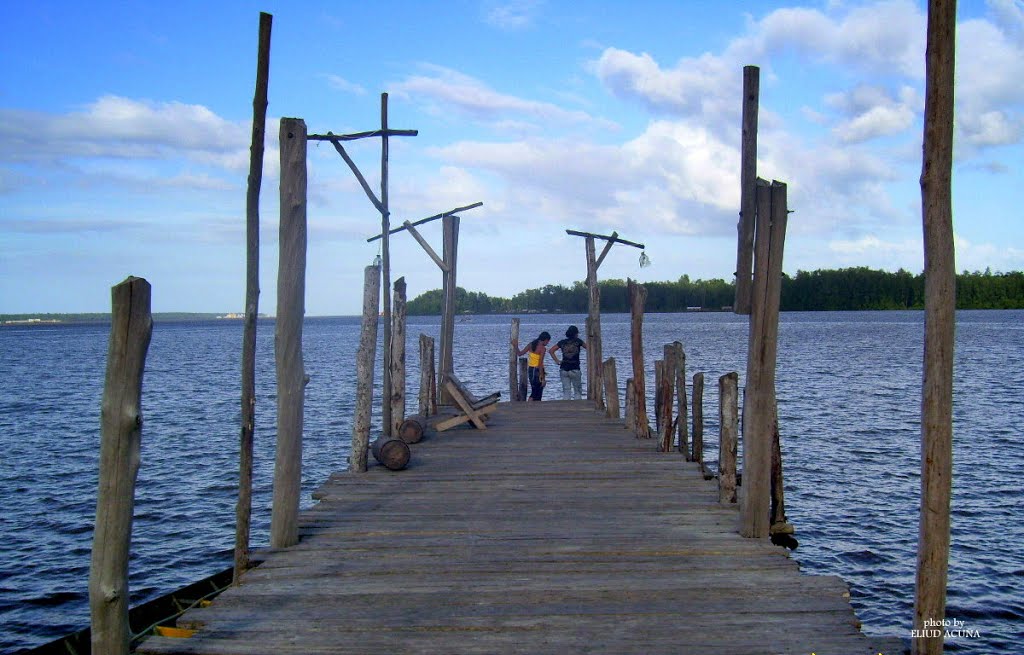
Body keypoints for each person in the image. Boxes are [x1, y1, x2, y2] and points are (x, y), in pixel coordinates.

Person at [549, 325, 586, 400]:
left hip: (564, 368)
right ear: (576, 334)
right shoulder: (578, 341)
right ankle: (578, 405)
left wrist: (557, 361)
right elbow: (589, 347)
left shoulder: (562, 342)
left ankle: (566, 405)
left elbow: (551, 350)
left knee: (566, 391)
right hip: (575, 368)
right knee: (577, 391)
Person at [515, 331, 551, 401]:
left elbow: (520, 353)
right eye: (547, 342)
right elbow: (540, 363)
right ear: (545, 340)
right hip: (537, 370)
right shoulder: (542, 348)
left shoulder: (531, 345)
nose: (547, 343)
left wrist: (515, 346)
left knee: (534, 389)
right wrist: (543, 378)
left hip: (531, 369)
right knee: (537, 392)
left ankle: (534, 406)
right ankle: (529, 405)